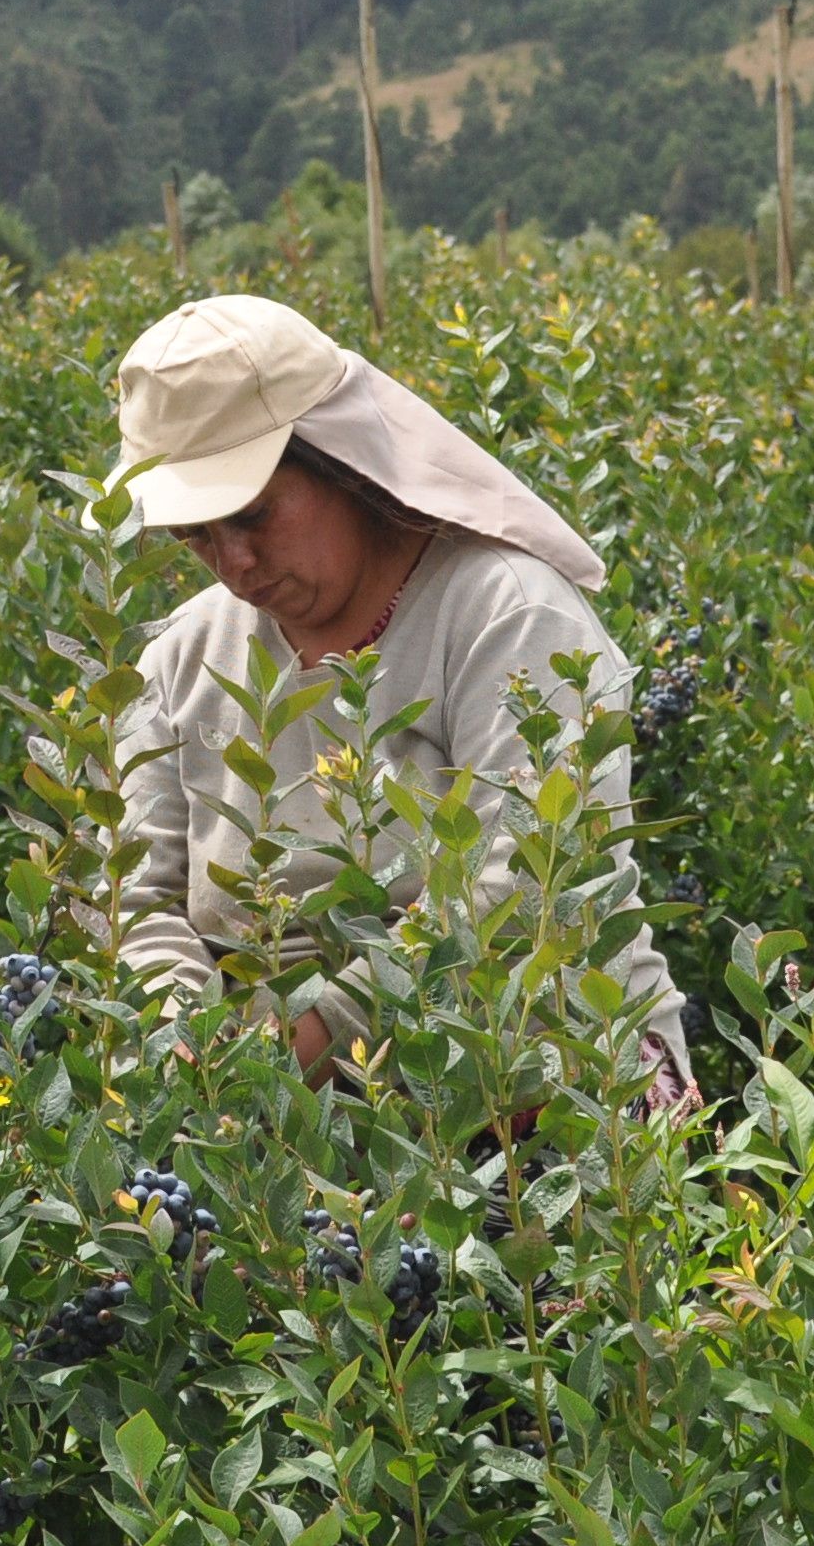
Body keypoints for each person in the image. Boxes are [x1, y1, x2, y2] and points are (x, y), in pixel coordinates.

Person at [103, 294, 690, 1092]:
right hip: (257, 1099)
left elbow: (518, 893)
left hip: (533, 1080)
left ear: (339, 462)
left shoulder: (508, 615)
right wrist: (186, 1042)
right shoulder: (182, 654)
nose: (233, 562)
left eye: (253, 515)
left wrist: (286, 1059)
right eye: (195, 535)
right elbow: (137, 895)